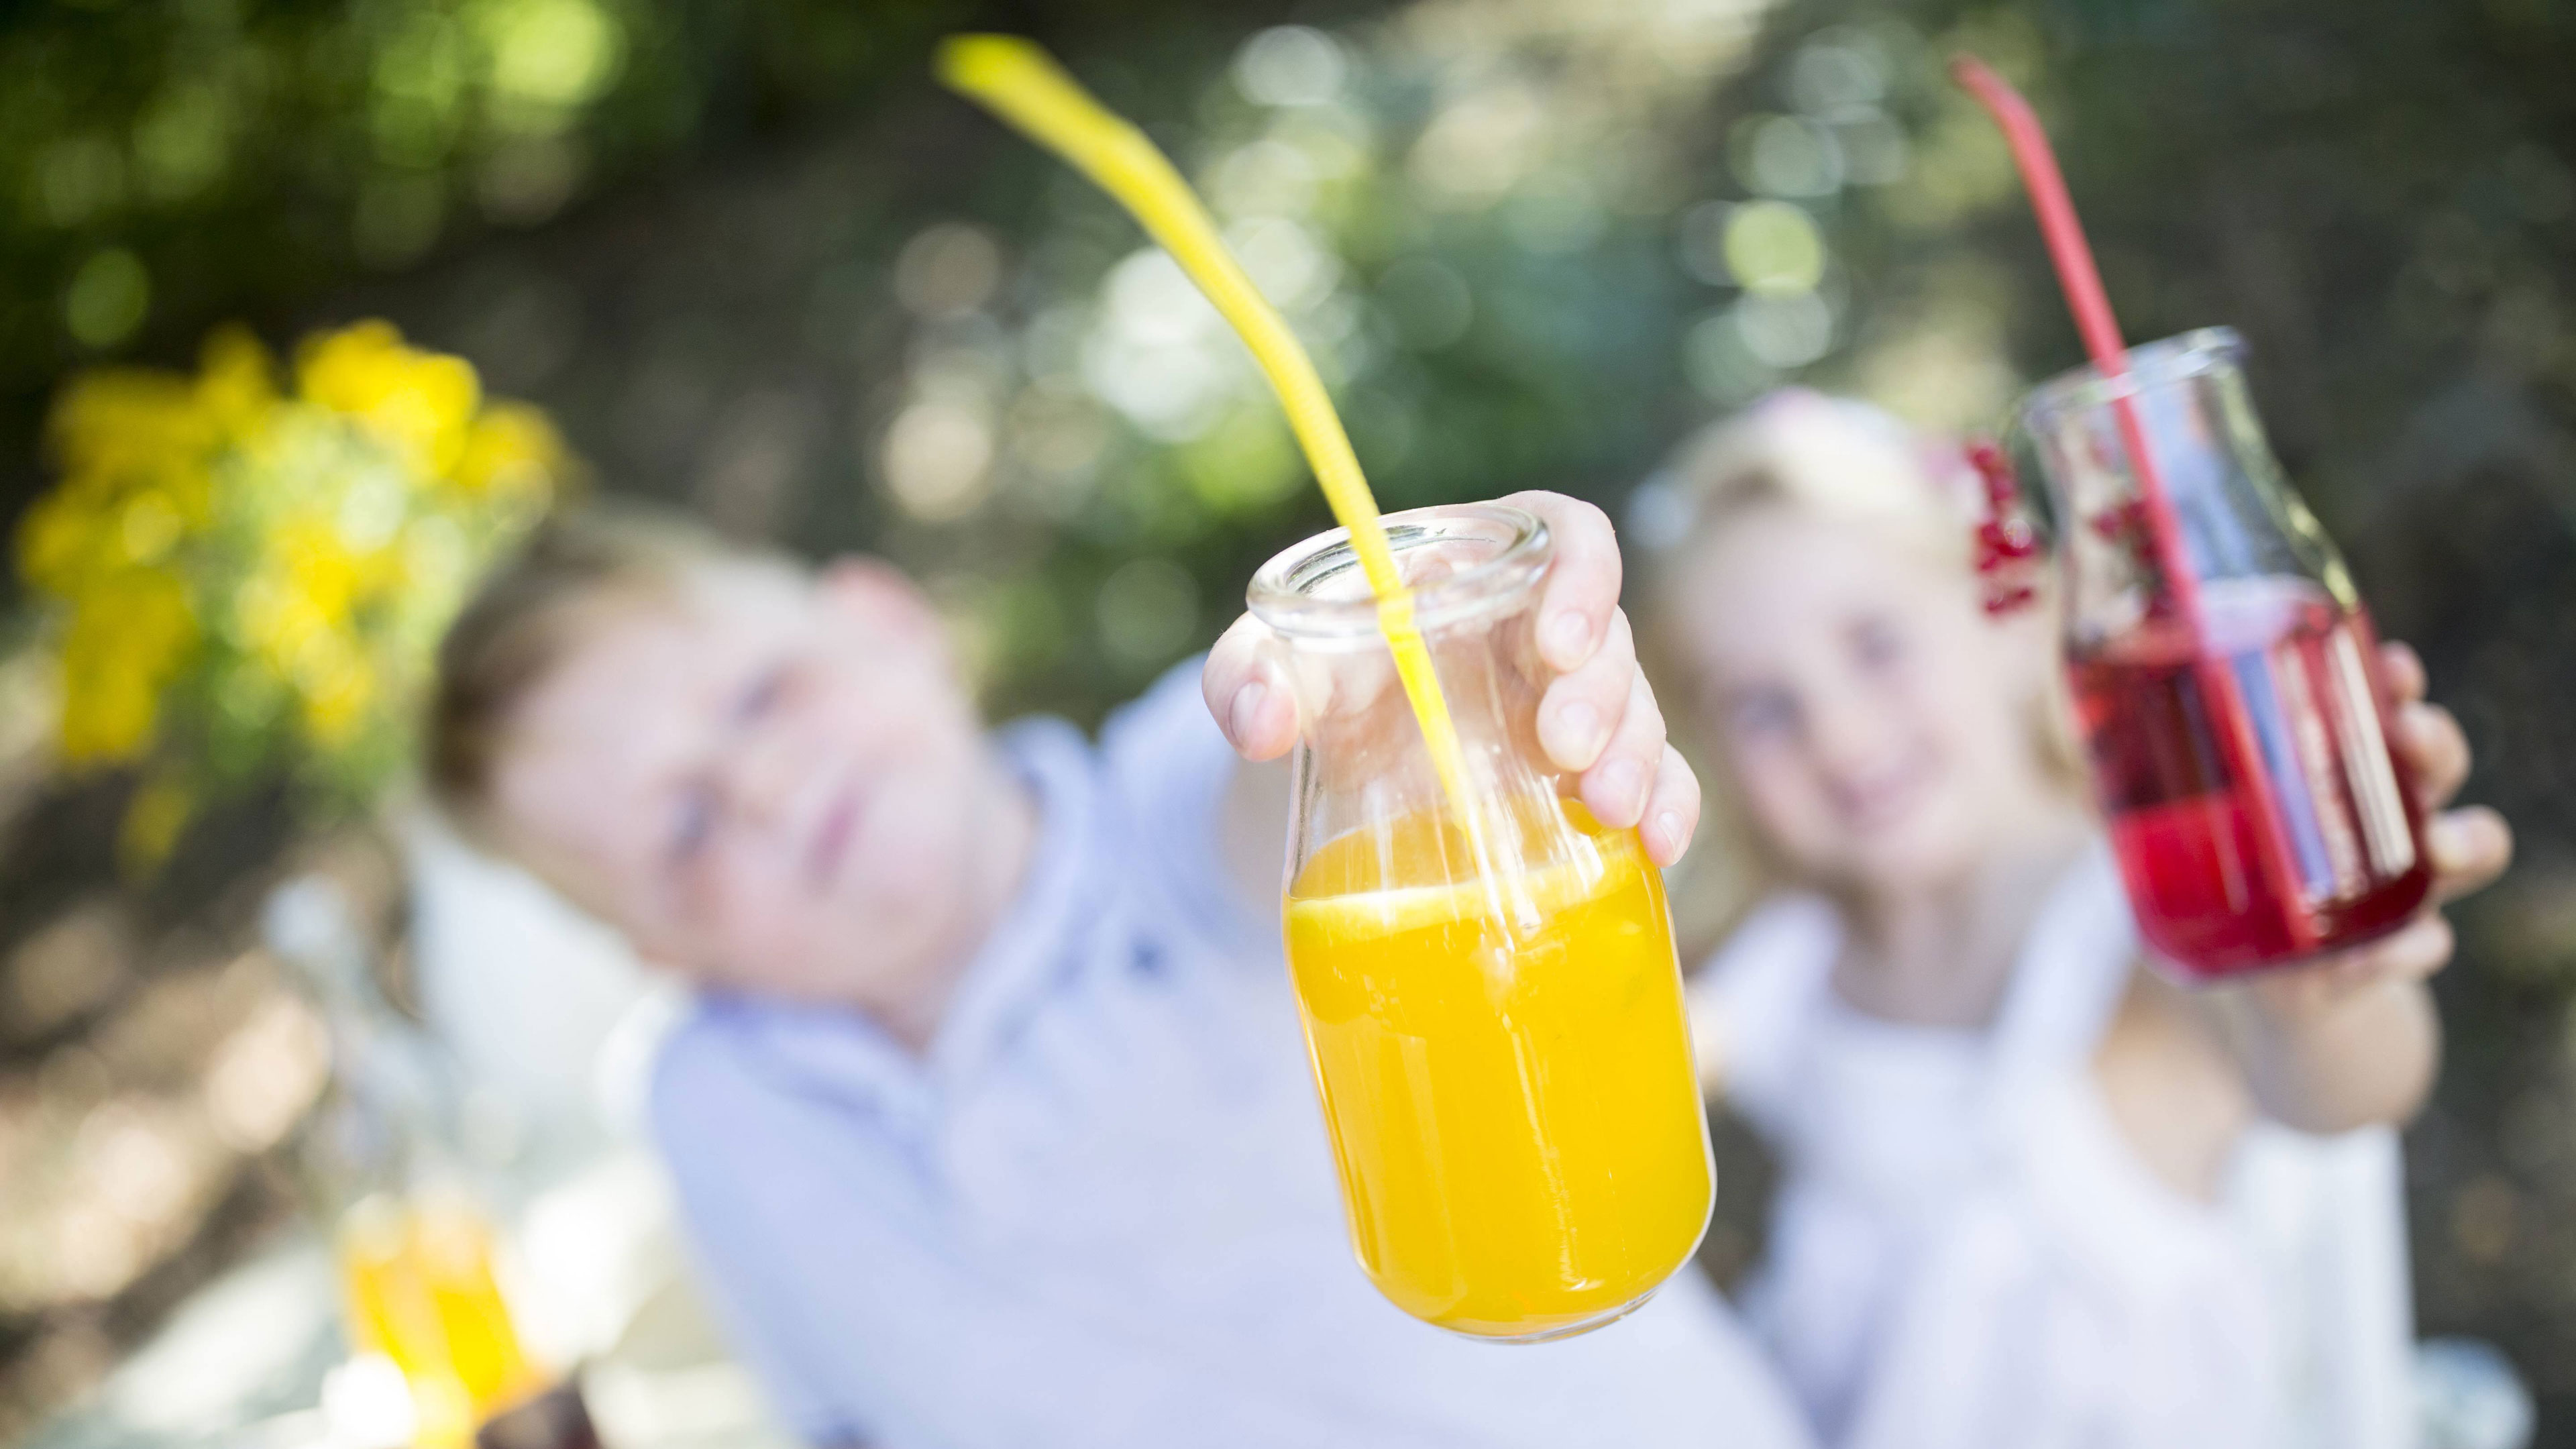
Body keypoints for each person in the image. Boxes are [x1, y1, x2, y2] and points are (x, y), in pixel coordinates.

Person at [425, 495, 1814, 1449]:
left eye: (763, 695)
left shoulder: (1167, 819)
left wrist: (1416, 683)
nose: (772, 793)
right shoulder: (715, 1110)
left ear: (890, 618)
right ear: (655, 949)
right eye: (683, 830)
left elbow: (1289, 771)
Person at [1638, 390, 2514, 1449]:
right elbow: (1633, 1070)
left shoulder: (2141, 908)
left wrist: (2321, 993)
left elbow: (2345, 1091)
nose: (1838, 729)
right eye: (1760, 707)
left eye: (1875, 644)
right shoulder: (1801, 958)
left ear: (2008, 618)